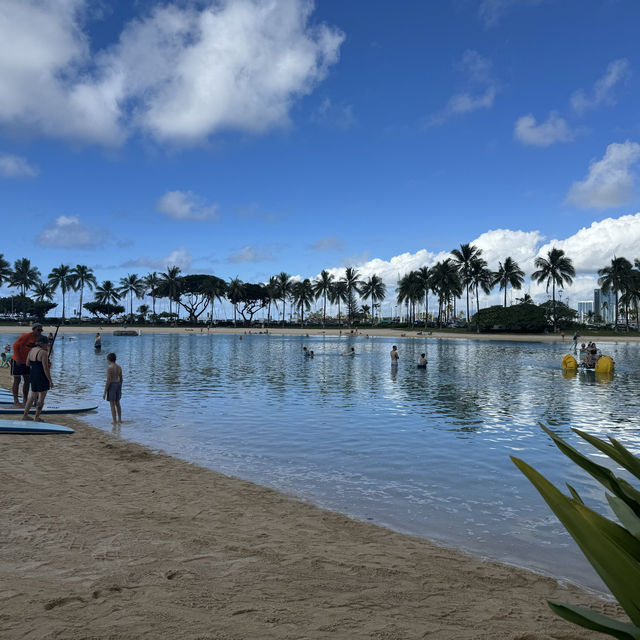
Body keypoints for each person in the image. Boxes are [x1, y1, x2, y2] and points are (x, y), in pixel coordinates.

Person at [11, 323, 44, 407]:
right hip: (17, 360)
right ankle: (16, 401)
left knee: (27, 380)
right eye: (38, 330)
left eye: (41, 330)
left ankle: (25, 400)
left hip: (28, 362)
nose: (40, 332)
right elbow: (15, 345)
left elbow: (43, 349)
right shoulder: (26, 336)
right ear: (33, 329)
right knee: (17, 380)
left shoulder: (40, 339)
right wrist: (18, 358)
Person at [22, 335, 53, 422]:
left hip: (33, 375)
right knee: (41, 397)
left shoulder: (31, 350)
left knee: (32, 396)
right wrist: (50, 381)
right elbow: (46, 369)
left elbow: (28, 364)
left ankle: (25, 415)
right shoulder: (43, 353)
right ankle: (37, 417)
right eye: (46, 344)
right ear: (42, 344)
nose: (47, 345)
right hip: (41, 376)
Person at [104, 352, 123, 424]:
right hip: (118, 384)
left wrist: (105, 391)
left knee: (112, 404)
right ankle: (120, 420)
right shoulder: (119, 367)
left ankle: (114, 421)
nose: (107, 361)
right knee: (118, 403)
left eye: (107, 360)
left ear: (109, 360)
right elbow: (121, 379)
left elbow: (108, 380)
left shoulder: (109, 368)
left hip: (112, 385)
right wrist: (120, 389)